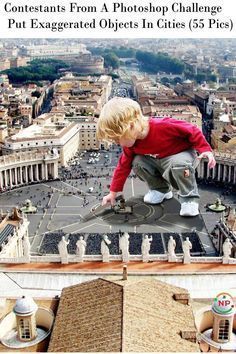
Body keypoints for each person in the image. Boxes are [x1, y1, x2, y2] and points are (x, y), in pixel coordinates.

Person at [96, 97, 216, 216]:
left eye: (117, 138)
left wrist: (205, 150)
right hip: (160, 160)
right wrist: (112, 193)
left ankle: (190, 199)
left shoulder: (163, 125)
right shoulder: (130, 144)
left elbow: (193, 130)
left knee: (178, 165)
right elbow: (122, 166)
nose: (117, 143)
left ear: (131, 126)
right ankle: (161, 190)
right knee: (137, 162)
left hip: (182, 156)